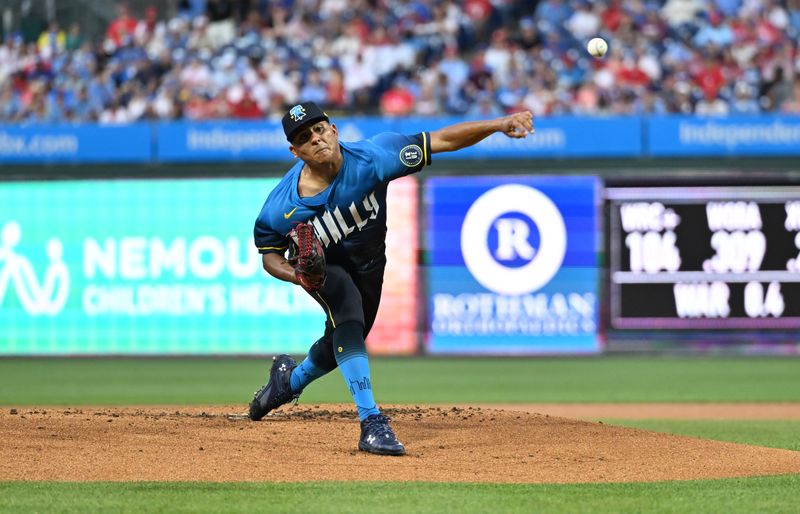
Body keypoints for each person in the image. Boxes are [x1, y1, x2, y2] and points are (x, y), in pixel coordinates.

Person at [249, 101, 533, 456]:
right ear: (296, 151)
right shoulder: (281, 207)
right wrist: (297, 275)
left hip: (370, 264)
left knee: (343, 339)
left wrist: (498, 123)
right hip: (325, 267)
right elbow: (269, 256)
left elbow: (441, 139)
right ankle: (372, 423)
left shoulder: (375, 157)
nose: (316, 139)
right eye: (305, 138)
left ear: (334, 130)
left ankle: (286, 383)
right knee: (347, 314)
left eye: (320, 129)